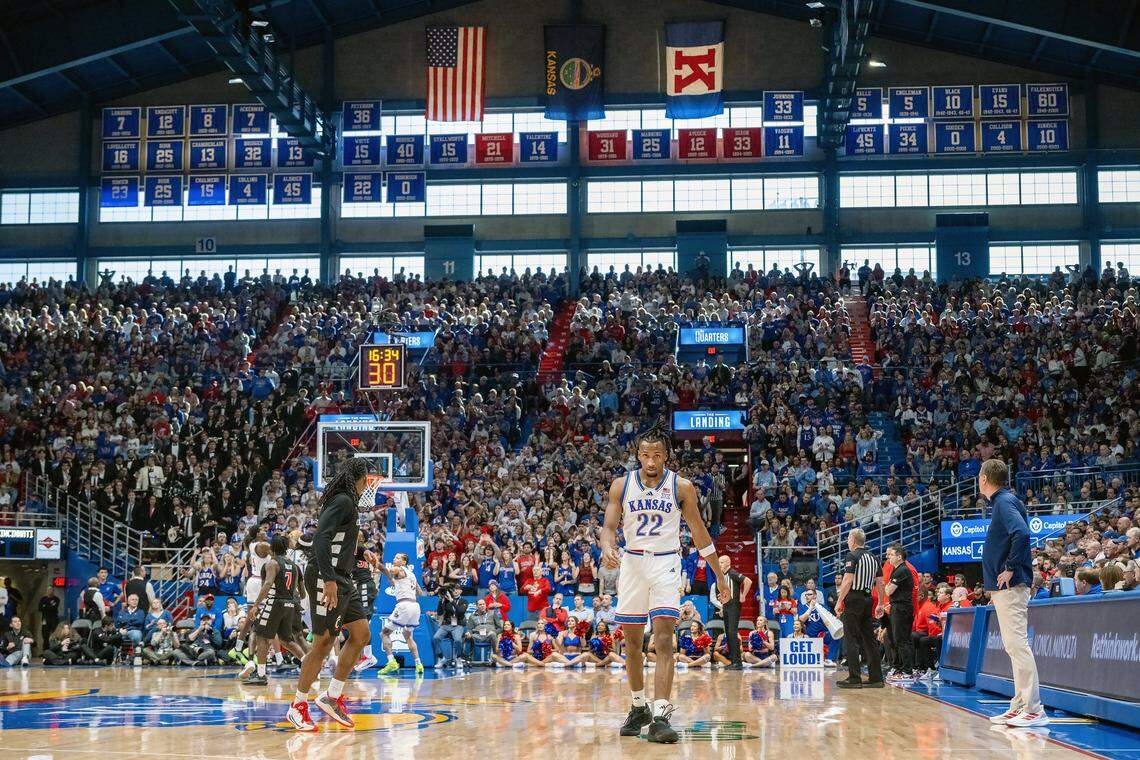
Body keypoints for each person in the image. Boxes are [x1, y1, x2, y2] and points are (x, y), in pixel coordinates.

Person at [601, 429, 730, 744]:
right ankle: (638, 707)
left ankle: (660, 714)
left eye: (657, 454)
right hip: (631, 563)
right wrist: (606, 547)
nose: (650, 460)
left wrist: (720, 576)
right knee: (631, 643)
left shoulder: (681, 487)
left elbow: (699, 533)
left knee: (663, 639)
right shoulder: (621, 485)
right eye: (645, 454)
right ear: (637, 455)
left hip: (666, 563)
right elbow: (608, 527)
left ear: (666, 456)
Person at [285, 458, 373, 732]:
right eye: (368, 479)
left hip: (343, 577)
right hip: (329, 577)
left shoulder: (349, 504)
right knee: (324, 642)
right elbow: (321, 538)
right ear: (360, 479)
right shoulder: (344, 500)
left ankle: (331, 697)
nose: (368, 485)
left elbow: (327, 539)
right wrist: (329, 579)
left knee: (360, 635)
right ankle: (297, 706)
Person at [980, 459, 1048, 727]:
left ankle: (1033, 709)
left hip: (1011, 585)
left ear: (984, 478)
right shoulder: (1003, 502)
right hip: (1005, 588)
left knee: (1018, 646)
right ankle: (1020, 704)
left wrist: (1009, 567)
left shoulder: (1004, 502)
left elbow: (1021, 533)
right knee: (1013, 646)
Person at [243, 535, 308, 685]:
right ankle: (308, 663)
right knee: (286, 640)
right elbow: (302, 593)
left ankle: (260, 675)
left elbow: (267, 584)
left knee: (261, 635)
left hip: (275, 603)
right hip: (291, 605)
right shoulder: (294, 565)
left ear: (271, 548)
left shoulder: (272, 563)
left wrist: (255, 605)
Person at [835, 528, 884, 688]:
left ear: (853, 540)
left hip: (854, 599)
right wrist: (881, 603)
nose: (847, 542)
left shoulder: (852, 555)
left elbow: (848, 581)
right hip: (868, 599)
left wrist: (839, 601)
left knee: (851, 638)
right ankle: (876, 677)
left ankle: (854, 677)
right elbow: (880, 583)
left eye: (848, 539)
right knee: (869, 639)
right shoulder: (874, 557)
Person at [376, 552, 425, 675]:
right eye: (394, 556)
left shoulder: (399, 569)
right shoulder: (412, 575)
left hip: (404, 605)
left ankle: (391, 662)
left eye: (397, 558)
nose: (394, 558)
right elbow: (419, 592)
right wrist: (396, 583)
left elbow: (387, 569)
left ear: (404, 562)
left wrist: (376, 563)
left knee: (384, 633)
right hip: (415, 606)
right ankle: (419, 664)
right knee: (407, 635)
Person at [710, 555, 750, 669]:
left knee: (732, 633)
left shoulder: (732, 573)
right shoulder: (723, 576)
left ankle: (738, 663)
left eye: (721, 562)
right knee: (728, 633)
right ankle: (734, 661)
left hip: (733, 606)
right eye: (719, 562)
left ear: (728, 563)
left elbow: (748, 581)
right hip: (726, 606)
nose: (719, 565)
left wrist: (743, 595)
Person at [882, 544, 916, 683]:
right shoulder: (897, 570)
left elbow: (888, 591)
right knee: (899, 639)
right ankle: (902, 668)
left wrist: (887, 586)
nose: (889, 557)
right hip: (898, 606)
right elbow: (889, 590)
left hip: (902, 608)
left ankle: (907, 671)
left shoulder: (902, 570)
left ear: (899, 557)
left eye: (891, 555)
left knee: (902, 640)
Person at [431, 584, 467, 668]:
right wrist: (441, 600)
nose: (455, 591)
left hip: (458, 624)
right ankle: (441, 657)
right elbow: (439, 613)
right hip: (446, 624)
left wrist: (452, 601)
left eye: (457, 589)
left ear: (460, 591)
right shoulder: (446, 600)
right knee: (435, 638)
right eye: (453, 589)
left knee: (458, 640)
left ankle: (458, 658)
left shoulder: (464, 601)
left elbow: (461, 611)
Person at [37, 587, 61, 653]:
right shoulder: (43, 599)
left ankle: (55, 651)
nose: (50, 591)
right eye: (48, 590)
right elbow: (39, 608)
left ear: (53, 591)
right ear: (47, 591)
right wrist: (48, 606)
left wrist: (45, 606)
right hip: (45, 619)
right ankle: (45, 651)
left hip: (54, 619)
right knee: (45, 636)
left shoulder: (56, 599)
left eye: (51, 590)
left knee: (55, 635)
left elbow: (54, 608)